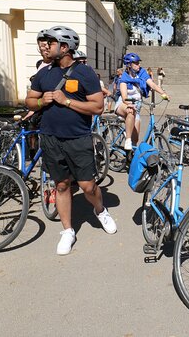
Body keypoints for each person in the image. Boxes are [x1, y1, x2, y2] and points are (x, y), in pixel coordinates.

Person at [25, 25, 116, 255]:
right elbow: (29, 101)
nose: (45, 46)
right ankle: (68, 231)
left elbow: (97, 107)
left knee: (87, 185)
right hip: (50, 138)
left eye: (50, 43)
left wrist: (66, 101)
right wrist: (41, 103)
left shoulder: (84, 73)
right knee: (62, 185)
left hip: (78, 138)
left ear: (65, 47)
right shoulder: (44, 73)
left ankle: (100, 210)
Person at [114, 52, 169, 150]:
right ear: (129, 64)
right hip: (124, 104)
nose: (139, 65)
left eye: (139, 62)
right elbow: (124, 97)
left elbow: (152, 84)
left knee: (135, 139)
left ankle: (130, 159)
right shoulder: (124, 78)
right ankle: (127, 140)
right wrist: (129, 104)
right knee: (130, 111)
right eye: (136, 63)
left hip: (137, 107)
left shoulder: (142, 72)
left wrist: (163, 93)